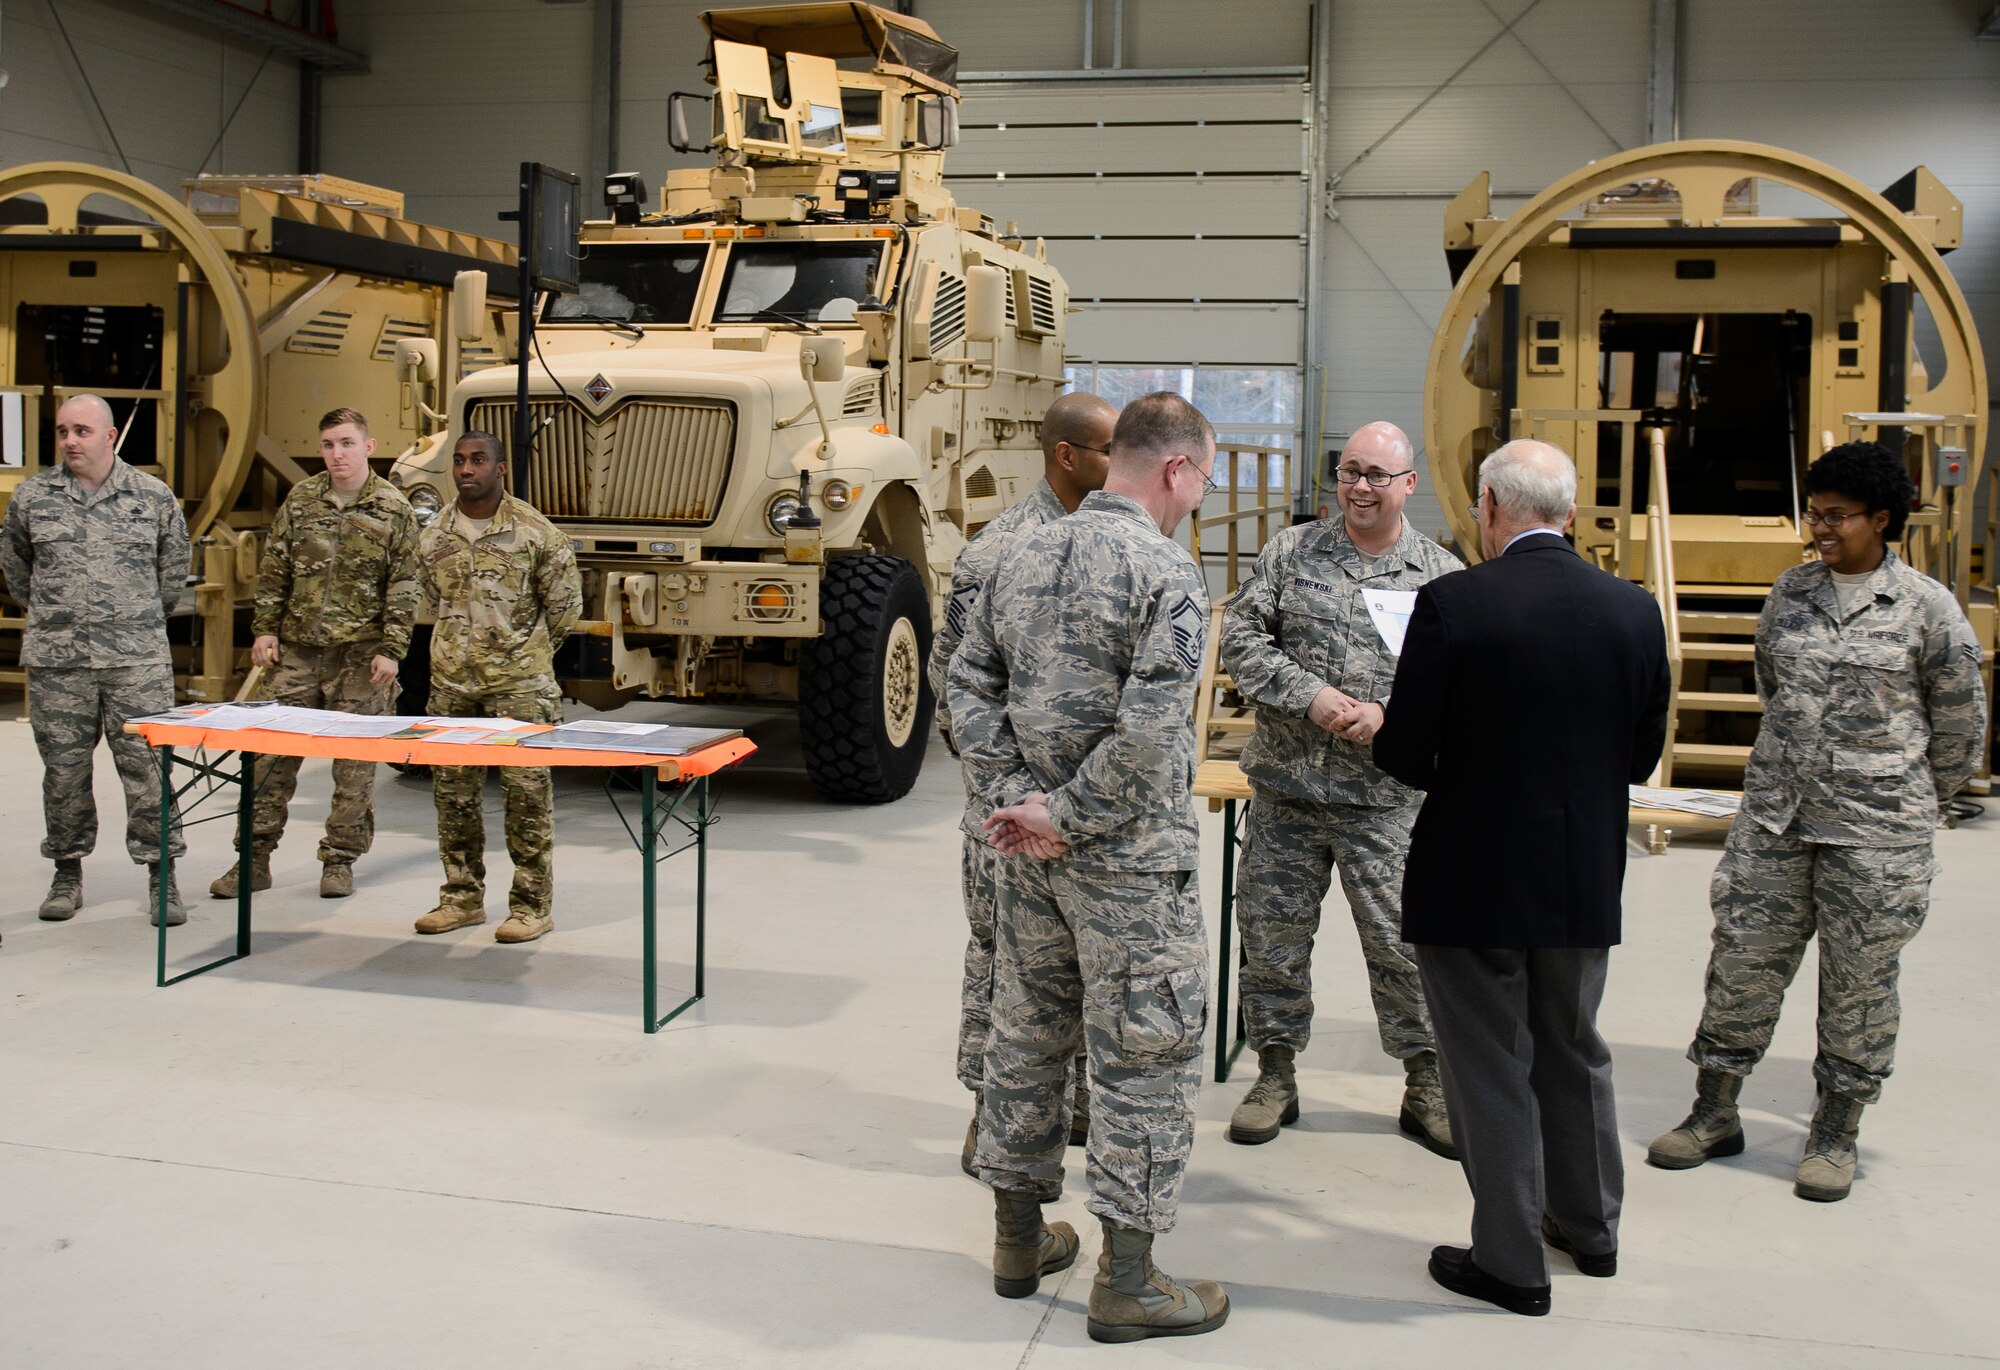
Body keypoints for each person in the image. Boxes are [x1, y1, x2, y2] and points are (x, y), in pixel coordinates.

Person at [947, 391, 1228, 1345]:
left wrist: (1017, 804)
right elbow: (1152, 735)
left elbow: (965, 684)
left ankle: (1018, 1245)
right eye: (1205, 477)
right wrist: (1064, 815)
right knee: (1145, 1057)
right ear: (1177, 471)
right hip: (1133, 872)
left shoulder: (1010, 552)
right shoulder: (1171, 575)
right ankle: (1132, 1283)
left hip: (1024, 863)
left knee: (1026, 1039)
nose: (1201, 495)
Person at [1373, 439, 1669, 1317]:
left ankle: (1510, 1261)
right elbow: (1641, 752)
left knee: (1489, 1062)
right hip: (1580, 873)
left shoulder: (1455, 601)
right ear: (1569, 516)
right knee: (1575, 1049)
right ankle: (1591, 1228)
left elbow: (1403, 749)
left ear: (1491, 510)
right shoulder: (1634, 610)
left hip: (1472, 873)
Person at [1648, 442, 1986, 1203]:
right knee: (1741, 964)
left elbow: (1961, 729)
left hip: (1877, 837)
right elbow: (1774, 686)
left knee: (1858, 986)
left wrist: (1902, 799)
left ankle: (1835, 1132)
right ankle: (1714, 1112)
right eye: (1815, 512)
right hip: (1777, 822)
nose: (1820, 527)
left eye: (1836, 516)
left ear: (1881, 519)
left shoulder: (1927, 608)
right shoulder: (1791, 593)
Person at [1218, 420, 1462, 1155]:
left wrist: (1394, 714)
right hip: (1288, 792)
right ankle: (1275, 1073)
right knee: (1272, 941)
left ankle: (1426, 1083)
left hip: (1386, 802)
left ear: (1408, 485)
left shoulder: (1442, 578)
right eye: (1349, 471)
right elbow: (1242, 639)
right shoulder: (1291, 554)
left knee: (1401, 948)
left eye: (1377, 475)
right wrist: (1308, 695)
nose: (1359, 486)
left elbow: (1458, 684)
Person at [929, 390, 1118, 1175]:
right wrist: (1012, 796)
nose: (1124, 464)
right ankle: (991, 1115)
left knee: (1074, 968)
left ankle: (1062, 1105)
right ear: (1066, 455)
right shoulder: (998, 551)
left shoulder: (1116, 544)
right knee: (1002, 966)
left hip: (1088, 815)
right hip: (1009, 818)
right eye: (1110, 449)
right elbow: (953, 689)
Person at [209, 408, 420, 901]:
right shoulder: (302, 499)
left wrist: (392, 649)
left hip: (361, 655)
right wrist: (264, 630)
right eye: (328, 444)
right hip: (299, 650)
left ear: (369, 446)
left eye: (346, 443)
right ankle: (253, 859)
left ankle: (340, 861)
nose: (336, 454)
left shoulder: (394, 510)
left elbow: (406, 585)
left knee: (354, 765)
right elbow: (276, 566)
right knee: (268, 759)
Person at [2, 393, 191, 930]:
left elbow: (171, 575)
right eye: (63, 431)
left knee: (149, 770)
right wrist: (59, 618)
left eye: (81, 431)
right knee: (63, 773)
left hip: (136, 662)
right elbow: (18, 571)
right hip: (59, 664)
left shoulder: (152, 497)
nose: (69, 441)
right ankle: (66, 872)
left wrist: (131, 624)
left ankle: (161, 874)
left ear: (110, 437)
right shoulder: (34, 498)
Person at [414, 430, 582, 944]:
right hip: (451, 685)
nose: (467, 469)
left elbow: (566, 608)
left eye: (479, 460)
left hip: (521, 688)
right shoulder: (435, 533)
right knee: (454, 797)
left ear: (500, 469)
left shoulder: (534, 532)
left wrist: (521, 655)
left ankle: (532, 907)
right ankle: (461, 899)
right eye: (460, 461)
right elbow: (426, 597)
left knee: (526, 798)